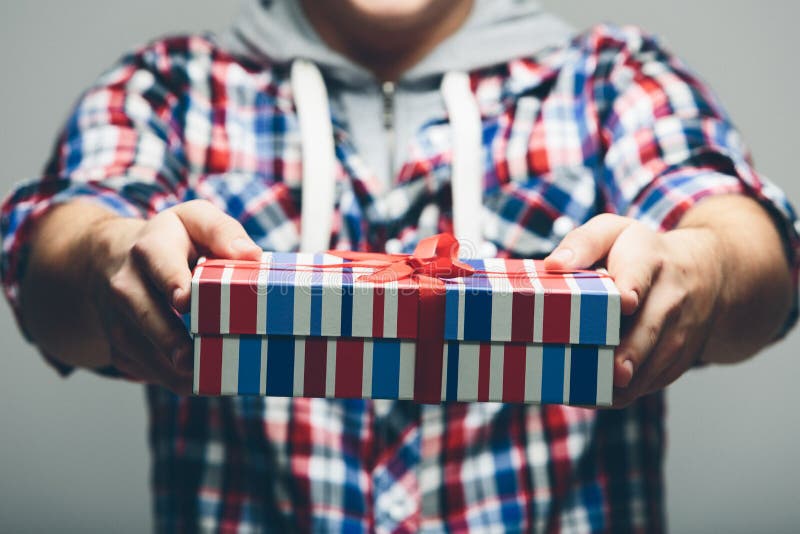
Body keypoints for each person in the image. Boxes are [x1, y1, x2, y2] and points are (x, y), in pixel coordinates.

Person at [1, 0, 797, 531]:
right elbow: (59, 247)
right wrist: (105, 255)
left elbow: (741, 230)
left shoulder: (612, 78)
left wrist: (711, 265)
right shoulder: (169, 86)